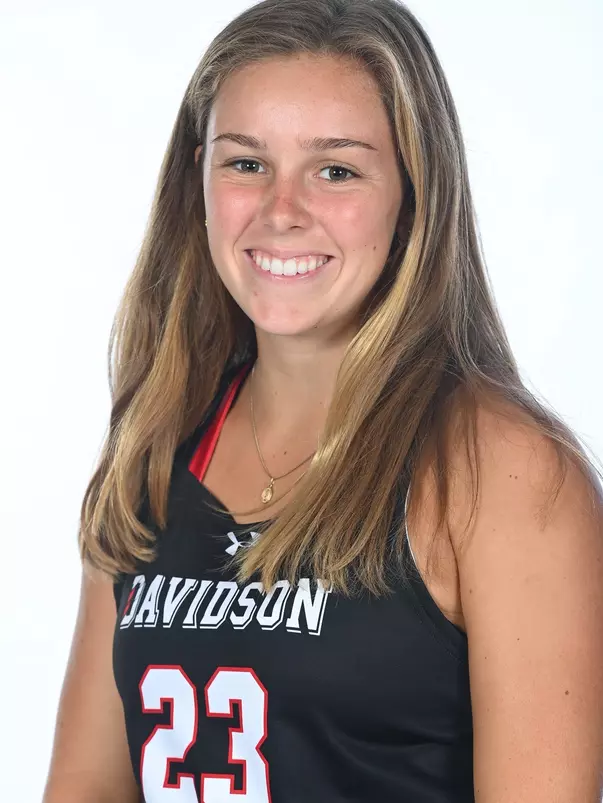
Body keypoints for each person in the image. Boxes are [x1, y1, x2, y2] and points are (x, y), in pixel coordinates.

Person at [43, 0, 603, 801]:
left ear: (412, 192)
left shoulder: (504, 473)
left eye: (335, 169)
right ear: (195, 176)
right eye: (245, 163)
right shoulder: (154, 447)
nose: (281, 210)